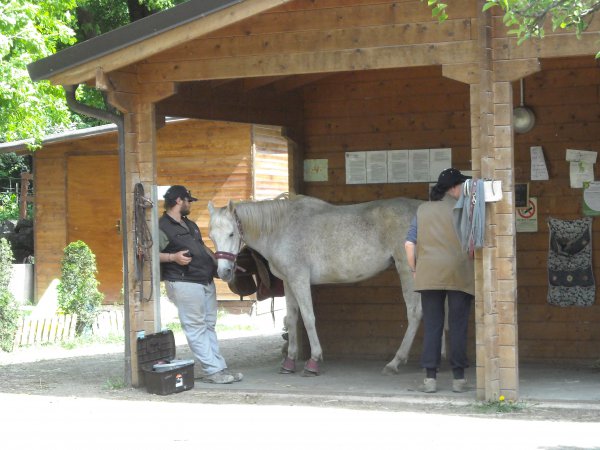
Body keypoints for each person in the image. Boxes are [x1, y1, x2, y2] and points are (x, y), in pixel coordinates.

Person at [159, 185, 242, 384]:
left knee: (208, 325)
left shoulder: (191, 225)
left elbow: (202, 249)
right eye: (189, 201)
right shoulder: (162, 226)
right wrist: (172, 257)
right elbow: (146, 255)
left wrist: (221, 265)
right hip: (184, 281)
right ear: (179, 201)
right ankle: (213, 371)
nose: (190, 205)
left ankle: (220, 368)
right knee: (196, 327)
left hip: (204, 279)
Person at [406, 168, 474, 394]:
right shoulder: (463, 209)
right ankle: (458, 380)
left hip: (429, 274)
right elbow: (473, 246)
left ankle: (430, 379)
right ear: (454, 188)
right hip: (459, 272)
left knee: (433, 325)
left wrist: (414, 269)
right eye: (462, 186)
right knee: (458, 326)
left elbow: (409, 244)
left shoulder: (422, 209)